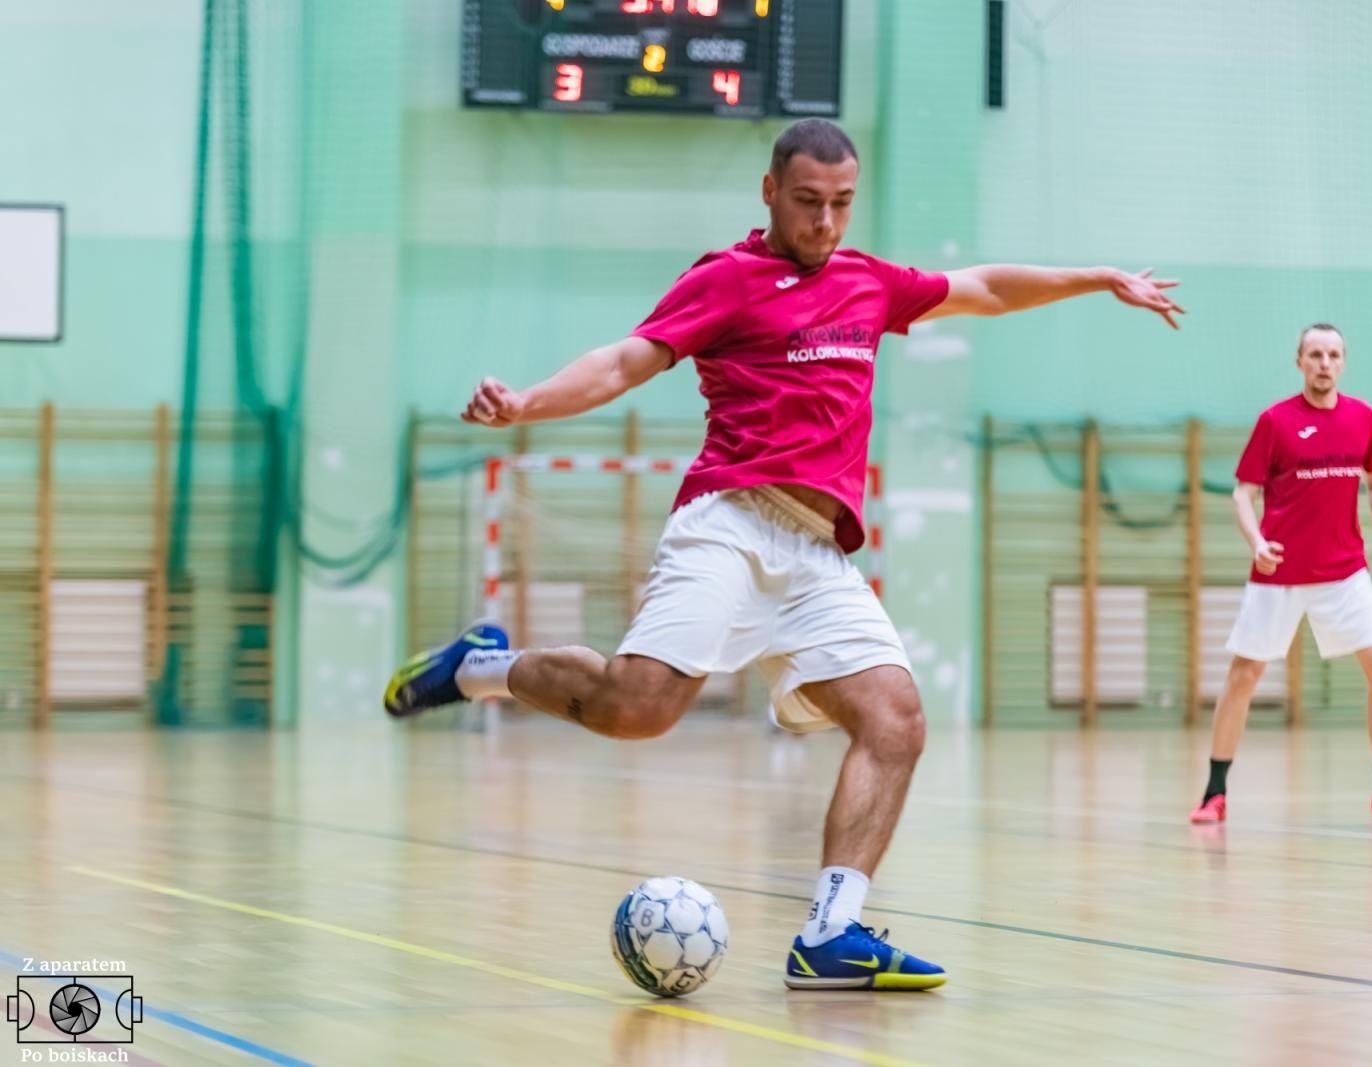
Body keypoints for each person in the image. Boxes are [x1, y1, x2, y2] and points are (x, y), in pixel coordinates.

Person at [384, 118, 1184, 990]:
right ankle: (479, 669)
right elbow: (623, 362)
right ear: (769, 192)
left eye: (842, 203)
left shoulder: (868, 281)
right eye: (808, 202)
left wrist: (1099, 280)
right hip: (728, 522)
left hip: (815, 554)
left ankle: (831, 934)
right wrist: (526, 403)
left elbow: (982, 288)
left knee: (896, 720)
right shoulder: (726, 279)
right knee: (637, 708)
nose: (826, 223)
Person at [1189, 323, 1372, 825]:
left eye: (1334, 355)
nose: (1325, 363)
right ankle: (1214, 793)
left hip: (1344, 573)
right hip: (1279, 572)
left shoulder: (1362, 418)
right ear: (1299, 361)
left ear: (1343, 362)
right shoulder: (1275, 421)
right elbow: (1243, 493)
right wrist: (1256, 542)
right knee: (1244, 676)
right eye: (1315, 354)